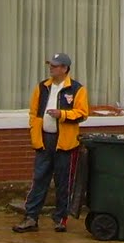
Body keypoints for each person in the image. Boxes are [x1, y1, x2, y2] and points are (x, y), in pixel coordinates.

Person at [13, 52, 89, 233]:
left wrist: (62, 114)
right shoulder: (42, 87)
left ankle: (60, 219)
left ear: (64, 68)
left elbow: (82, 114)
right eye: (51, 65)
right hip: (44, 140)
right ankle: (31, 217)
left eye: (55, 66)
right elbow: (33, 113)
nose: (51, 69)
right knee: (39, 179)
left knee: (63, 182)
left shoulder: (77, 89)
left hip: (65, 143)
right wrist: (35, 134)